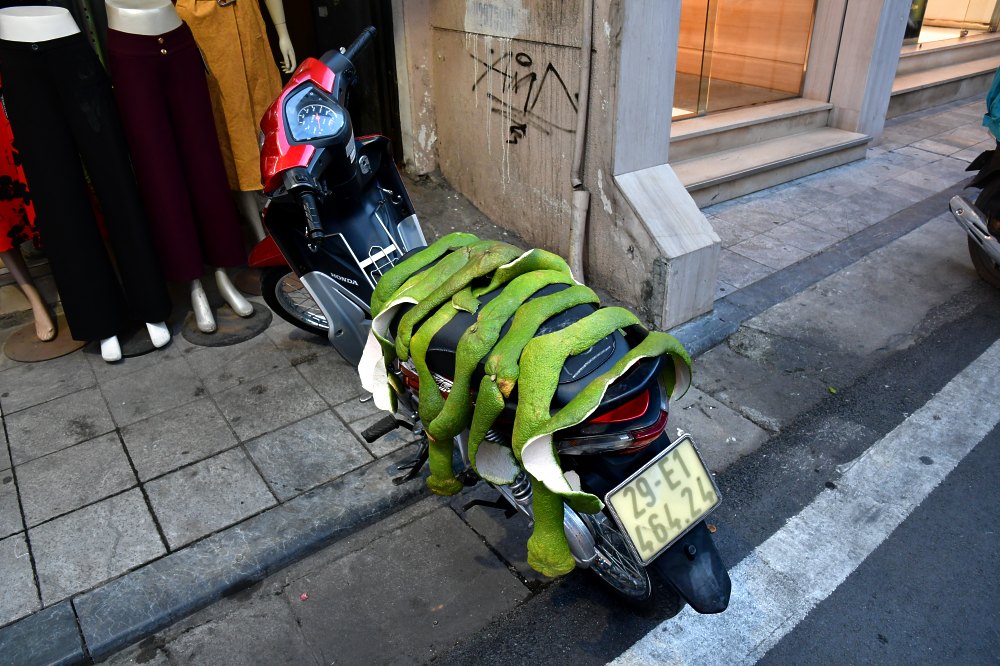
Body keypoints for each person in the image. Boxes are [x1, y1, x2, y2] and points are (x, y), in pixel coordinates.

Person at [0, 5, 171, 362]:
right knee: (56, 196)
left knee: (116, 179)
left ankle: (151, 304)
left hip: (67, 44)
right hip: (15, 58)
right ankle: (99, 320)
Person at [104, 0, 253, 333]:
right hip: (128, 45)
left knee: (205, 162)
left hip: (177, 35)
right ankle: (193, 284)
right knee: (159, 173)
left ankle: (222, 274)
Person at [174, 0, 296, 242]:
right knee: (231, 132)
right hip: (204, 29)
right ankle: (260, 235)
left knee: (269, 117)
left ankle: (286, 220)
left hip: (247, 22)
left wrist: (282, 32)